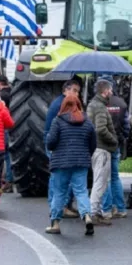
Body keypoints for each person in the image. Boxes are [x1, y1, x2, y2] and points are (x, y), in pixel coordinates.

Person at [45, 93, 96, 235]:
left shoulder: (58, 121)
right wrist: (85, 155)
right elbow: (93, 144)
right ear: (79, 104)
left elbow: (50, 143)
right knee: (81, 191)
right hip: (81, 162)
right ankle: (87, 216)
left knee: (59, 192)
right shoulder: (87, 122)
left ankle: (55, 223)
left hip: (61, 163)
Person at [44, 80, 82, 217]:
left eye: (78, 91)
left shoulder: (59, 102)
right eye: (75, 91)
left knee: (57, 176)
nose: (77, 94)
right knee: (58, 177)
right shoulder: (62, 105)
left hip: (56, 142)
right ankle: (59, 206)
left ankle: (60, 205)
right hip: (57, 144)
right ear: (66, 90)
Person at [86, 78, 119, 225]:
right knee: (100, 182)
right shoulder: (99, 107)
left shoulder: (92, 105)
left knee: (99, 181)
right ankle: (94, 213)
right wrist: (113, 139)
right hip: (102, 149)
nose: (112, 93)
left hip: (95, 148)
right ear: (105, 91)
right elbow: (100, 128)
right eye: (110, 90)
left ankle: (96, 212)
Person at [101, 75, 130, 219]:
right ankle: (121, 208)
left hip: (102, 145)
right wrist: (122, 137)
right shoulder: (121, 104)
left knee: (104, 177)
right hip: (115, 144)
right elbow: (126, 126)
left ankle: (106, 209)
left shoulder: (97, 103)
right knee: (114, 176)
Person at [0, 76, 14, 193]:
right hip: (12, 125)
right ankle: (10, 180)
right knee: (9, 155)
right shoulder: (14, 93)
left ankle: (7, 181)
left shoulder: (0, 96)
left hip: (3, 127)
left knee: (4, 155)